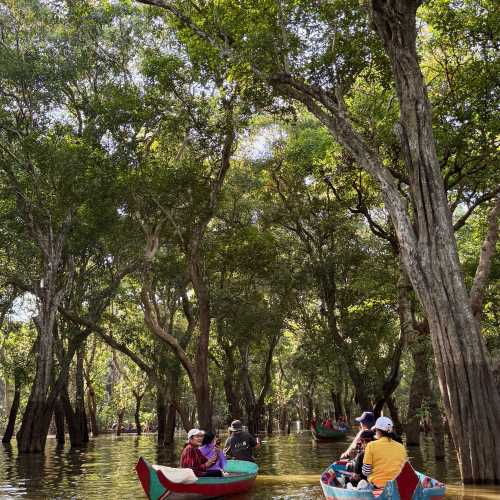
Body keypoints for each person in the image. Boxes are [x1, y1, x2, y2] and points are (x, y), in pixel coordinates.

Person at [362, 416, 407, 489]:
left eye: (375, 430)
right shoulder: (401, 447)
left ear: (378, 431)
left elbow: (366, 472)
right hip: (397, 487)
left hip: (377, 486)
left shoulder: (371, 445)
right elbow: (404, 468)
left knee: (360, 483)